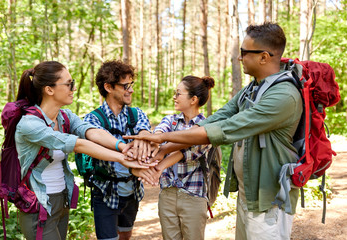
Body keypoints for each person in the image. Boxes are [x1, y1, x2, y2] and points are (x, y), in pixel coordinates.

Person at [124, 22, 303, 240]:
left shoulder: (283, 96)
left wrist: (159, 138)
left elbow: (222, 130)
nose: (240, 58)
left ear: (264, 57)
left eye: (244, 52)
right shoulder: (253, 89)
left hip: (269, 198)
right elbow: (214, 120)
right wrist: (163, 150)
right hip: (250, 195)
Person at [14, 61, 151, 240]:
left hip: (61, 199)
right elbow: (78, 144)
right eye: (69, 84)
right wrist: (123, 158)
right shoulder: (30, 124)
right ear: (49, 89)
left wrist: (123, 147)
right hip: (38, 202)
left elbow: (91, 132)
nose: (73, 89)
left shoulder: (64, 116)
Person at [133, 75, 215, 240]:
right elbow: (161, 130)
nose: (174, 97)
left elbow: (185, 153)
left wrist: (159, 166)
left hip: (193, 195)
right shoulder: (171, 120)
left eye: (178, 93)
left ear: (193, 99)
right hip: (168, 195)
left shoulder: (207, 128)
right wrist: (156, 138)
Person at [82, 60, 155, 240]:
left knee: (125, 233)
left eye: (131, 85)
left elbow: (145, 131)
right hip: (105, 191)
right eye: (125, 86)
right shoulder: (93, 119)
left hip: (132, 191)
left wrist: (144, 135)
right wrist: (126, 148)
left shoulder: (136, 114)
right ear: (108, 87)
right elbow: (95, 138)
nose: (130, 90)